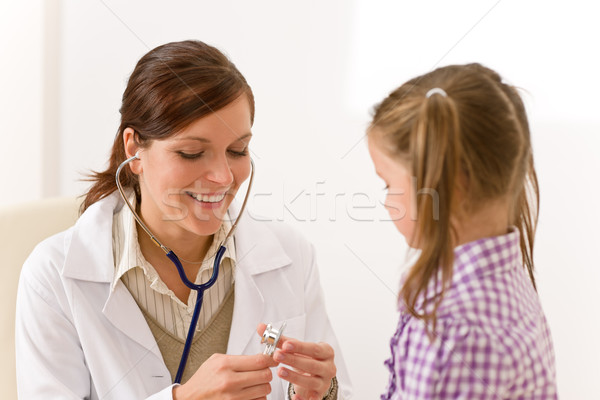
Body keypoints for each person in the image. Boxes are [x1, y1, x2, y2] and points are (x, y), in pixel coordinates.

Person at [15, 40, 351, 400]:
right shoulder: (54, 276)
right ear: (134, 149)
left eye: (238, 150)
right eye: (191, 153)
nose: (223, 177)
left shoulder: (290, 256)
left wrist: (323, 391)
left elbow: (338, 390)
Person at [367, 64, 557, 399]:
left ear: (449, 186)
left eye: (388, 184)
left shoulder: (455, 330)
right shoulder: (503, 284)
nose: (385, 202)